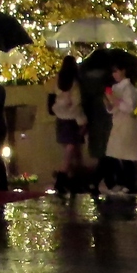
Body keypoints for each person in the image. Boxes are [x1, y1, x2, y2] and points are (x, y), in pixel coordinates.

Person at [101, 62, 137, 196]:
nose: (115, 75)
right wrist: (109, 103)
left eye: (117, 71)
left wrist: (115, 101)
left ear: (123, 71)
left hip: (127, 124)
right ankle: (118, 182)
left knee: (126, 156)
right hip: (117, 123)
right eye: (113, 72)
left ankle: (128, 184)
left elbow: (129, 107)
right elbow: (112, 109)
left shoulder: (129, 89)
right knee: (114, 154)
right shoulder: (115, 88)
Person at [49, 56, 87, 194]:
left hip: (60, 118)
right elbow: (77, 103)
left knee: (70, 150)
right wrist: (82, 121)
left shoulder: (57, 80)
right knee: (73, 150)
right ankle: (64, 176)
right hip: (72, 119)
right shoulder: (75, 83)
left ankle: (72, 179)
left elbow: (51, 96)